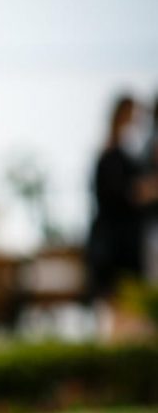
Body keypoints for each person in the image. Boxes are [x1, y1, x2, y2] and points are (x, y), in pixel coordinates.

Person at [86, 95, 146, 327]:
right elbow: (118, 195)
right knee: (119, 315)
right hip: (116, 246)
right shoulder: (111, 157)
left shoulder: (122, 154)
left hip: (123, 244)